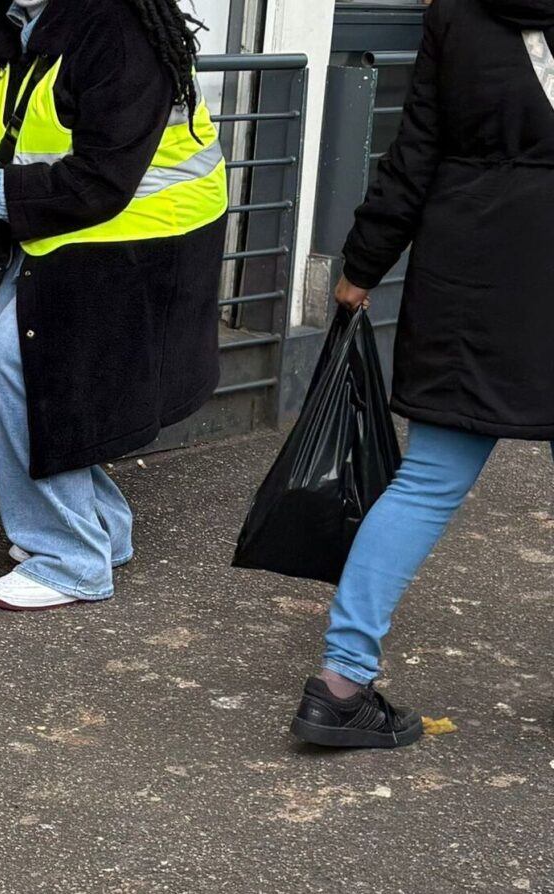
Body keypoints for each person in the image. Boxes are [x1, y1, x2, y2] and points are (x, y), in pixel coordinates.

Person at [0, 0, 229, 612]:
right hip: (57, 223)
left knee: (17, 368)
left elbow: (101, 180)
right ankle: (101, 526)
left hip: (141, 233)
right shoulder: (7, 11)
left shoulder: (121, 27)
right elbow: (2, 115)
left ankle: (72, 561)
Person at [292, 0, 554, 747]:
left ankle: (339, 686)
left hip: (472, 276)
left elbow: (414, 154)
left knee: (427, 483)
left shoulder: (459, 17)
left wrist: (361, 266)